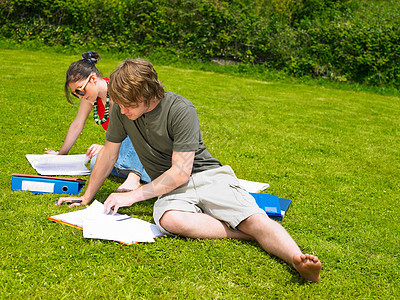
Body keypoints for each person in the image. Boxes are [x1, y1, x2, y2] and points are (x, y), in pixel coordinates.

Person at [58, 58, 321, 282]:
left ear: (146, 95)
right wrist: (87, 197)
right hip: (170, 187)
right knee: (171, 220)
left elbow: (181, 172)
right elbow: (108, 155)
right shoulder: (122, 111)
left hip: (205, 175)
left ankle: (298, 259)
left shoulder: (180, 109)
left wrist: (132, 195)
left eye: (128, 105)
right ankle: (247, 234)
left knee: (255, 218)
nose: (122, 111)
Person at [46, 51, 150, 191]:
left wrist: (106, 148)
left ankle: (135, 175)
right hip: (124, 148)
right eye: (76, 94)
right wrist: (61, 154)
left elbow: (133, 130)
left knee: (109, 152)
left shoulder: (117, 92)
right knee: (95, 162)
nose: (80, 96)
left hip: (142, 141)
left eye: (80, 91)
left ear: (93, 79)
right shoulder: (90, 99)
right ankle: (148, 173)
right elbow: (77, 124)